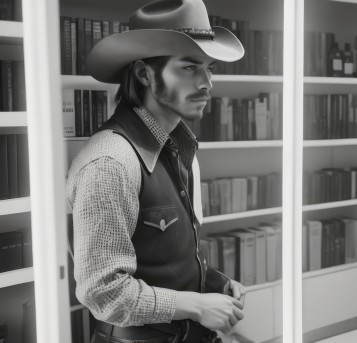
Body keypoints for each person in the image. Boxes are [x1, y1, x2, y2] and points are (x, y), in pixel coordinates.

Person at [66, 0, 246, 342]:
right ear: (144, 74)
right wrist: (196, 305)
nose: (208, 83)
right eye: (190, 68)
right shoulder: (110, 163)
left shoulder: (178, 147)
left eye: (210, 68)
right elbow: (104, 293)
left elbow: (162, 255)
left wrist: (214, 285)